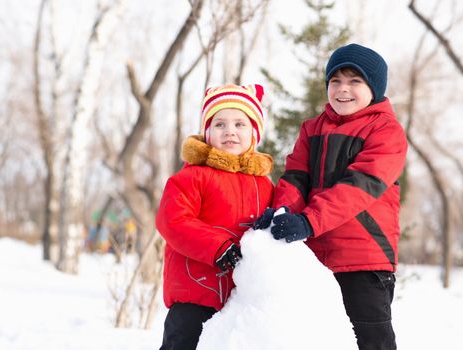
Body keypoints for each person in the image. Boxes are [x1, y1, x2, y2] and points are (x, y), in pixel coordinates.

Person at [255, 43, 408, 349]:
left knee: (371, 341)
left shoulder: (386, 131)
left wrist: (309, 221)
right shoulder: (312, 129)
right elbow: (296, 178)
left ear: (374, 88)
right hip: (312, 258)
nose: (342, 89)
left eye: (355, 81)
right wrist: (282, 213)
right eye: (335, 81)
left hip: (363, 260)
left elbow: (360, 187)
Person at [156, 84, 274, 350]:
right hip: (194, 292)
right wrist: (216, 247)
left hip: (240, 296)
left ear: (254, 133)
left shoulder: (264, 185)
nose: (230, 131)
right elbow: (173, 220)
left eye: (240, 124)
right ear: (207, 132)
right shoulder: (192, 177)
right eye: (219, 124)